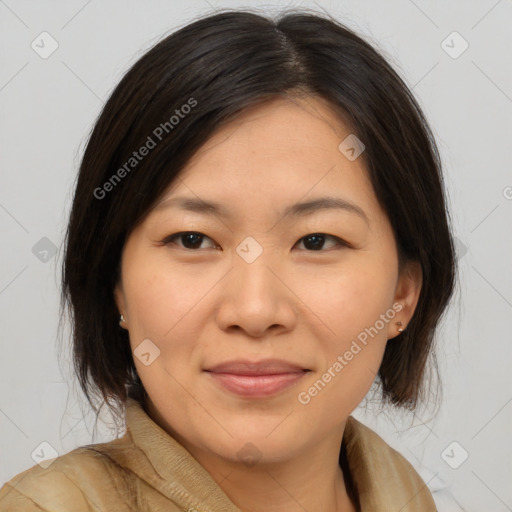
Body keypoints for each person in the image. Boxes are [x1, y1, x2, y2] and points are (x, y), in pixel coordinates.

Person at [0, 8, 456, 511]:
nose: (255, 311)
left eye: (317, 241)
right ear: (116, 284)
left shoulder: (407, 494)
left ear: (403, 293)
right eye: (193, 239)